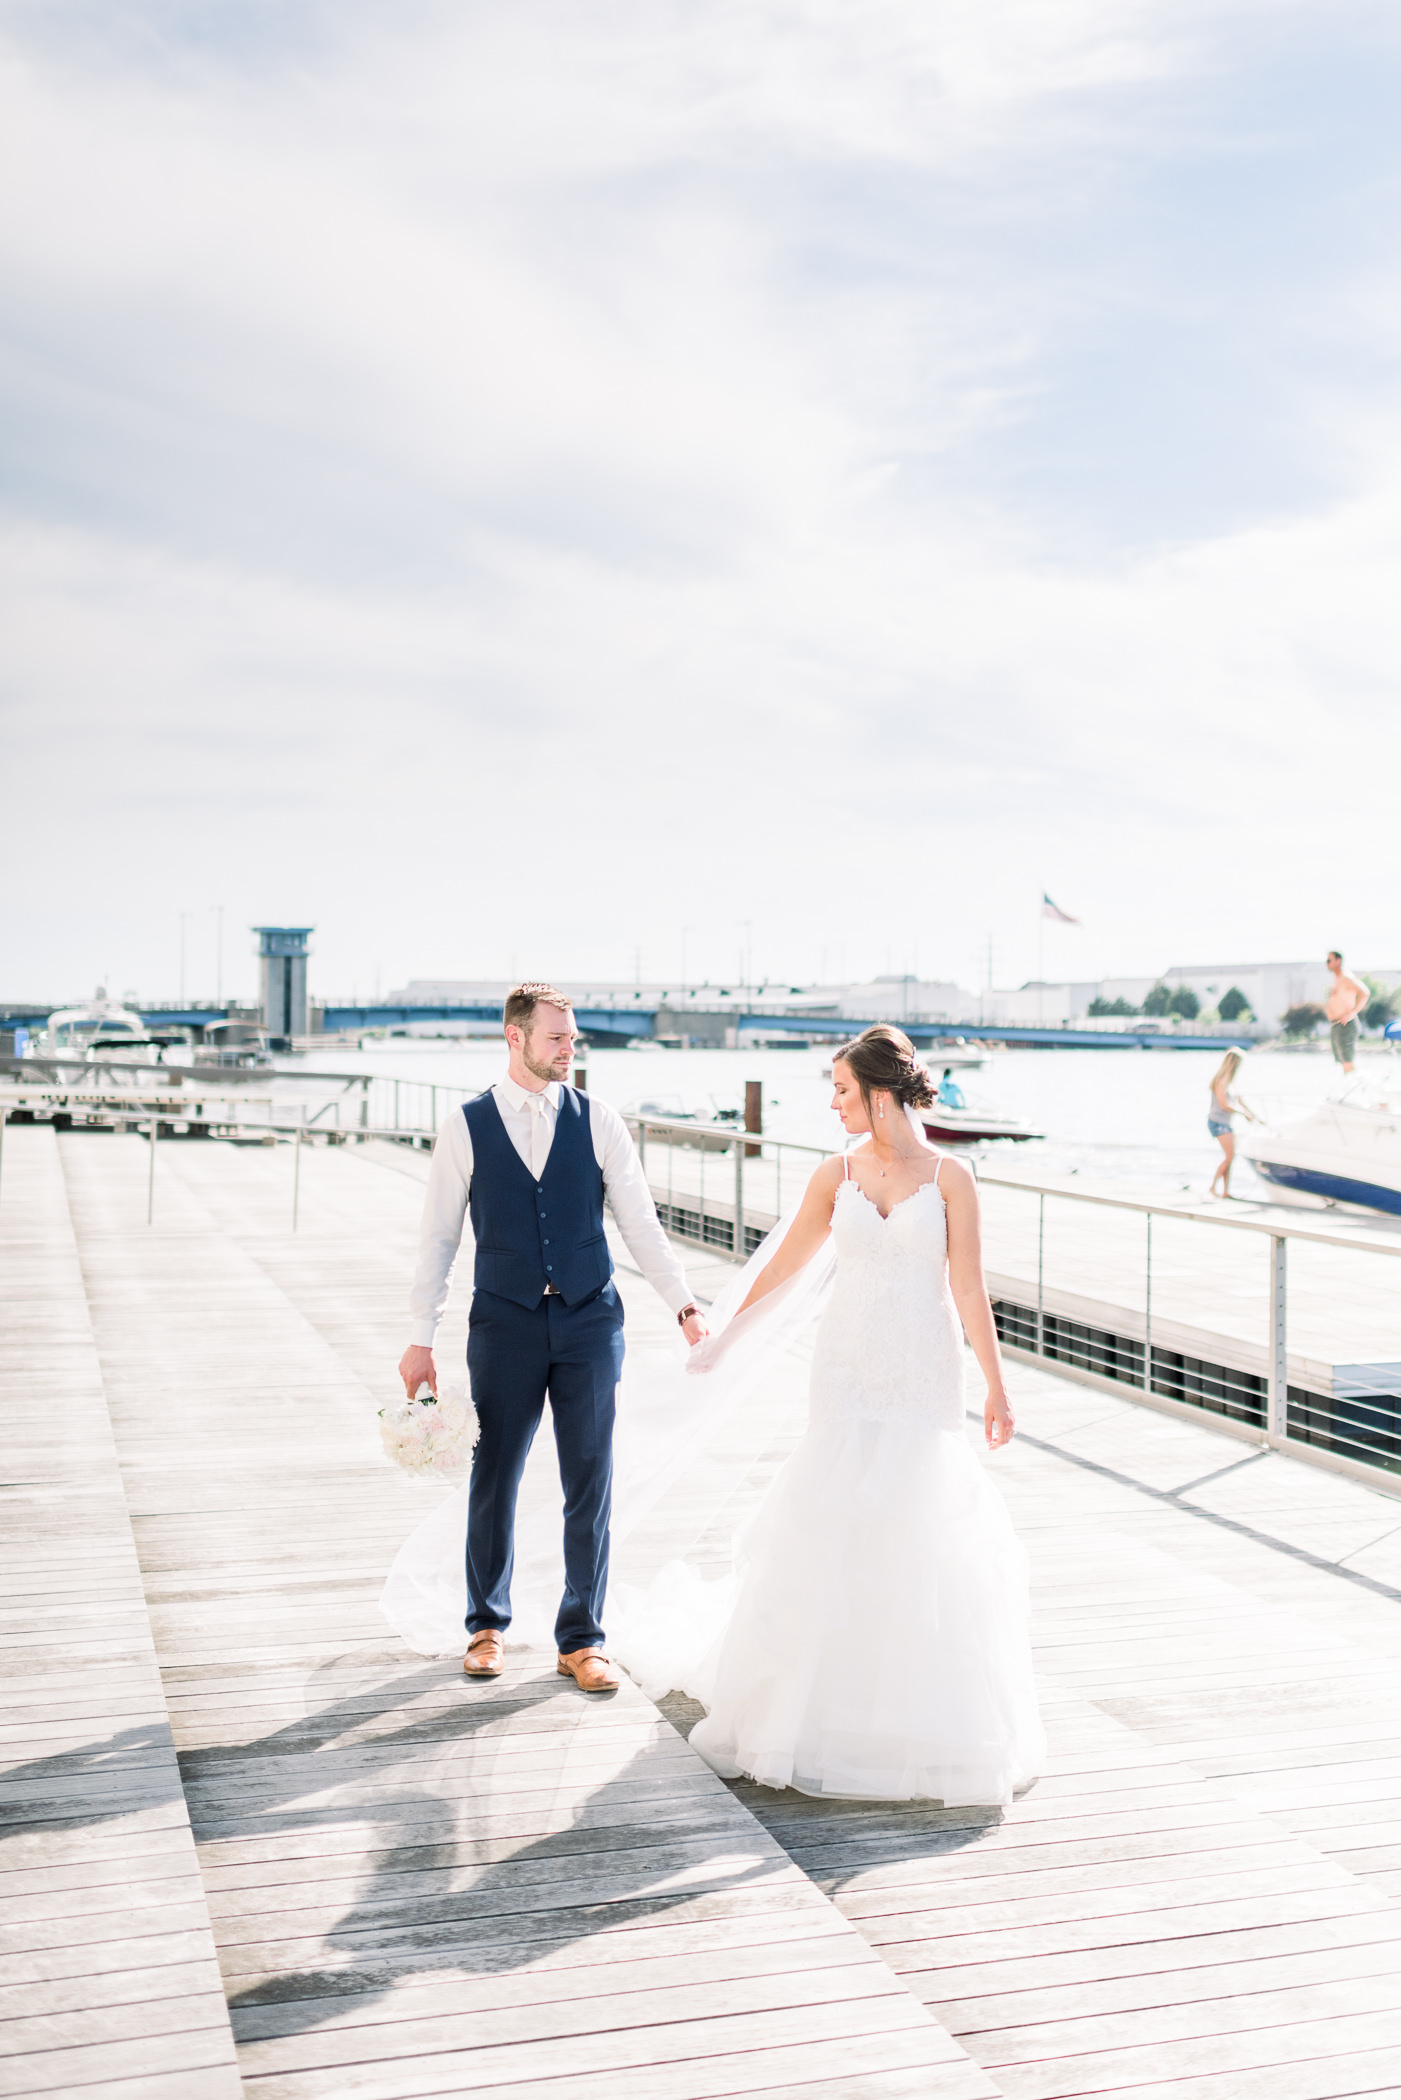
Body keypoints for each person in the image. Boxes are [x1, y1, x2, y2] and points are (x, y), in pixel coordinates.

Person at [676, 1025, 1043, 1804]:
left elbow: (969, 1288)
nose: (832, 1104)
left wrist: (997, 1388)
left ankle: (908, 1721)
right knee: (828, 1520)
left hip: (918, 1372)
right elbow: (783, 1267)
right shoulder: (832, 1175)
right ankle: (804, 1716)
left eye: (840, 1090)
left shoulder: (951, 1176)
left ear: (880, 1094)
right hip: (841, 1369)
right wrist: (724, 1334)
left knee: (915, 1525)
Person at [395, 982, 707, 1693]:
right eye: (558, 1039)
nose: (571, 1050)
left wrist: (685, 1308)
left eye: (573, 1039)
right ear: (516, 1037)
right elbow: (438, 1238)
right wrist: (421, 1338)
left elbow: (639, 1224)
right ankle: (485, 1625)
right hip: (502, 1322)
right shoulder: (465, 1125)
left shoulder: (599, 1121)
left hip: (589, 1320)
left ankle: (582, 1637)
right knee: (494, 1473)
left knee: (589, 1479)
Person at [1207, 1048, 1257, 1198]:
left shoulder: (1231, 1082)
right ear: (1234, 1063)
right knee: (1229, 1157)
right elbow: (1224, 1104)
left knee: (1230, 1157)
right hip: (1218, 1122)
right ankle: (1212, 1187)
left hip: (1225, 1122)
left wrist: (1254, 1116)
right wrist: (1244, 1114)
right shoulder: (1222, 1081)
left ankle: (1225, 1191)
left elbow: (1240, 1101)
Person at [1325, 950, 1368, 1074]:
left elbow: (1364, 993)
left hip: (1345, 1024)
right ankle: (1350, 1089)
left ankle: (1358, 1087)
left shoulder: (1346, 977)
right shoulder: (1337, 979)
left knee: (1348, 1062)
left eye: (1329, 960)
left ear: (1338, 961)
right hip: (1337, 1025)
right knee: (1344, 1063)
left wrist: (1352, 1013)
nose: (1327, 964)